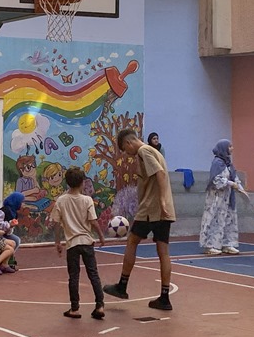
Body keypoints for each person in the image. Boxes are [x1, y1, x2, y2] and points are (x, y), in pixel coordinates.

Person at [103, 129, 176, 311]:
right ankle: (165, 297)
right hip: (164, 210)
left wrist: (159, 200)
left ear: (129, 143)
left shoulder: (144, 151)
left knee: (132, 240)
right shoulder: (156, 151)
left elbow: (159, 173)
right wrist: (164, 202)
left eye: (125, 150)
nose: (127, 154)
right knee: (163, 250)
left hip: (151, 209)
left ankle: (122, 285)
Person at [51, 166, 107, 320]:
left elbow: (56, 223)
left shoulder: (61, 200)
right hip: (87, 241)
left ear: (67, 183)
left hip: (72, 244)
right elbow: (93, 222)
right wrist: (101, 236)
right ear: (83, 182)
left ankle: (74, 308)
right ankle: (100, 305)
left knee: (74, 276)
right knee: (93, 274)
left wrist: (57, 242)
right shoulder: (87, 200)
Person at [200, 139, 247, 255]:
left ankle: (227, 243)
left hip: (227, 198)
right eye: (230, 146)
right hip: (216, 198)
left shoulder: (229, 164)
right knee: (214, 220)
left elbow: (234, 177)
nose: (232, 148)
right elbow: (216, 180)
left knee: (228, 219)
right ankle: (209, 245)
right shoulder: (217, 163)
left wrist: (241, 189)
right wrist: (231, 184)